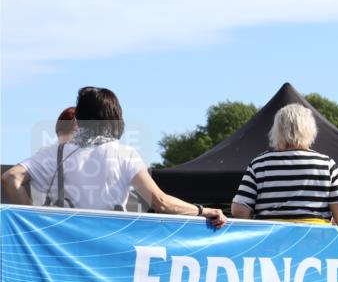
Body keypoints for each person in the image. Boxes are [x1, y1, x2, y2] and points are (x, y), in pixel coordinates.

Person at [2, 87, 225, 227]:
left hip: (59, 250)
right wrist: (204, 211)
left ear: (79, 119)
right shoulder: (125, 154)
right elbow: (161, 203)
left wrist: (32, 220)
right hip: (106, 250)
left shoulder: (53, 152)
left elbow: (10, 177)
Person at [232, 104, 338, 233]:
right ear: (310, 129)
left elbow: (239, 211)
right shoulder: (326, 164)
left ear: (277, 130)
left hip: (270, 244)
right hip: (315, 244)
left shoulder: (259, 163)